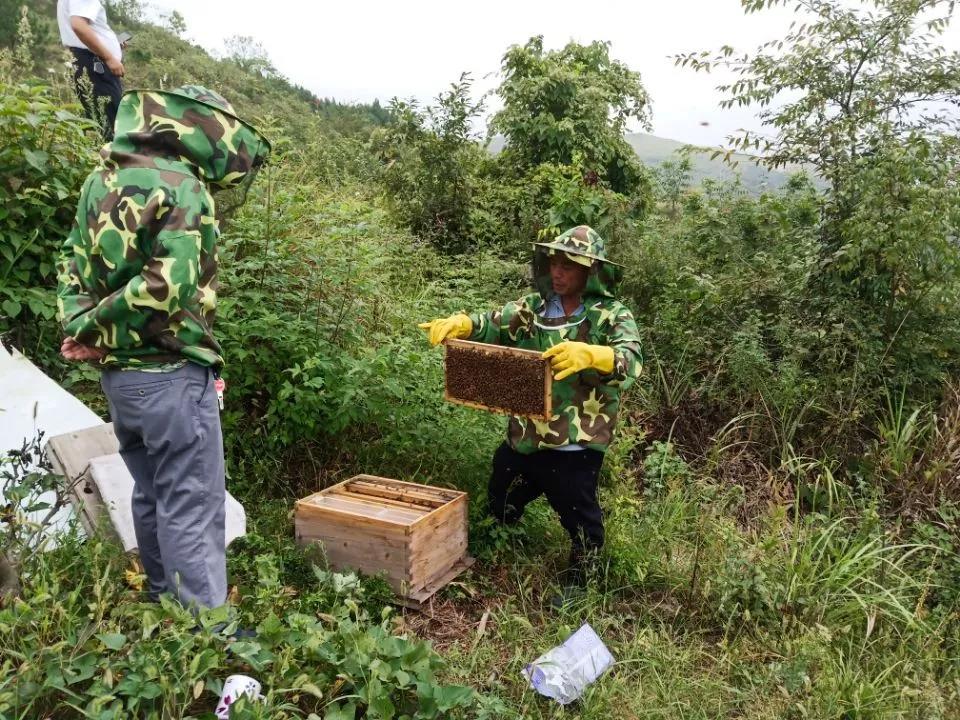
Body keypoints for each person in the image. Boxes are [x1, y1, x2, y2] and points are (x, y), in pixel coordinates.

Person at [56, 85, 271, 611]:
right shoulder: (183, 186)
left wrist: (91, 332)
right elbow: (165, 289)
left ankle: (160, 600)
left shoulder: (100, 179)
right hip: (171, 375)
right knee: (192, 503)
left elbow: (71, 265)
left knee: (151, 492)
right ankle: (204, 629)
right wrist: (99, 331)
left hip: (121, 381)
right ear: (196, 129)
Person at [419, 225, 642, 606]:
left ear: (590, 271)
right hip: (526, 434)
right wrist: (464, 324)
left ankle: (582, 577)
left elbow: (632, 360)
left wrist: (595, 354)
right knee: (501, 492)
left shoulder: (610, 315)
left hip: (575, 441)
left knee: (580, 516)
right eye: (554, 263)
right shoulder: (534, 307)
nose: (558, 272)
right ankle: (495, 545)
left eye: (568, 266)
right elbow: (493, 321)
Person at [56, 0, 125, 140]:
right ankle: (109, 160)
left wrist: (113, 43)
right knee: (111, 124)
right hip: (95, 66)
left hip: (86, 62)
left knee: (94, 120)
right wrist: (109, 57)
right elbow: (79, 26)